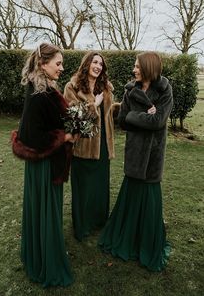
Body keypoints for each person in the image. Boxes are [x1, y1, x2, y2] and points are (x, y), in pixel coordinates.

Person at [98, 51, 173, 272]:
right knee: (131, 198)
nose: (134, 70)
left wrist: (139, 117)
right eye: (134, 66)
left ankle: (146, 242)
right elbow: (123, 120)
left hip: (153, 156)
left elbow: (159, 121)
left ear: (148, 68)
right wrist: (140, 117)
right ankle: (127, 238)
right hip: (135, 153)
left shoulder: (164, 89)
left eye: (137, 67)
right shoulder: (130, 90)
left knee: (149, 200)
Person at [11, 43, 77, 287]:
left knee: (44, 212)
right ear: (42, 64)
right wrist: (66, 137)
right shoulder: (39, 94)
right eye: (57, 63)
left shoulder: (44, 88)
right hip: (44, 167)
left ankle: (39, 253)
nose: (61, 68)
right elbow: (32, 136)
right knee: (45, 212)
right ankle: (46, 262)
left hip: (46, 164)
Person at [64, 51, 117, 241]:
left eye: (101, 64)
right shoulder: (72, 86)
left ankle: (98, 222)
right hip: (84, 145)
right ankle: (82, 225)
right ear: (86, 64)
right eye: (95, 62)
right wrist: (93, 104)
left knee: (99, 186)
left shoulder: (106, 87)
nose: (98, 66)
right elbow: (73, 117)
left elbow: (109, 113)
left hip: (103, 145)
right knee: (83, 188)